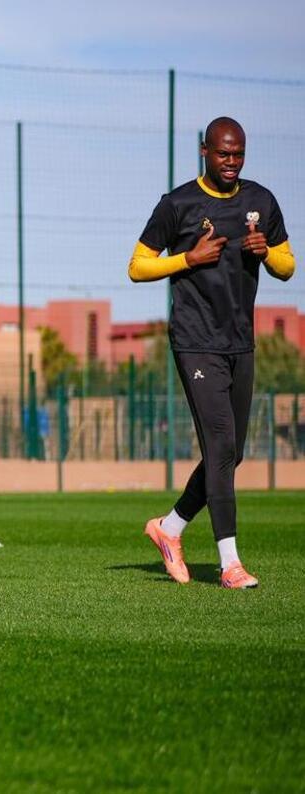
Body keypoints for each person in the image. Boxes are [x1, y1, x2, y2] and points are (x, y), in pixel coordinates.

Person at [130, 116, 293, 589]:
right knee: (220, 446)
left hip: (239, 341)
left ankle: (169, 528)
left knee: (231, 453)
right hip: (195, 340)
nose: (231, 161)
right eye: (223, 153)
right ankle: (230, 564)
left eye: (238, 153)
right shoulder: (178, 204)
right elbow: (137, 266)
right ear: (205, 151)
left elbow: (287, 265)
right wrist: (188, 259)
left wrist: (266, 252)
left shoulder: (261, 201)